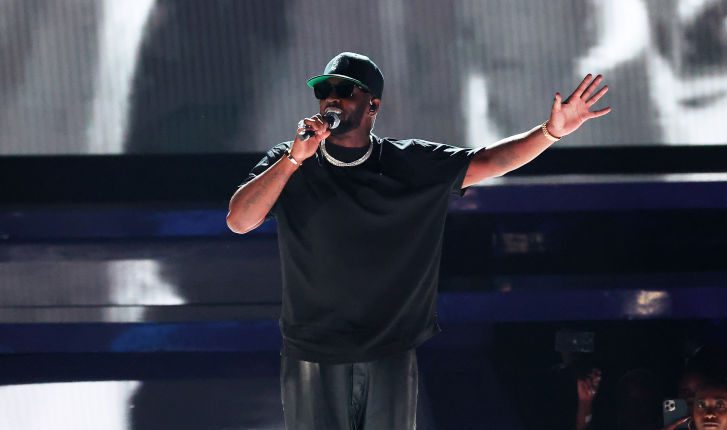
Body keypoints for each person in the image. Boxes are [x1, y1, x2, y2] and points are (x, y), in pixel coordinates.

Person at [226, 52, 610, 429]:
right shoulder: (292, 161)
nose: (332, 98)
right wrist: (294, 159)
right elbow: (240, 221)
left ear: (373, 105)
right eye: (325, 90)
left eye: (345, 91)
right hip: (312, 351)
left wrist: (551, 132)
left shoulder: (408, 163)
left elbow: (490, 161)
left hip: (388, 350)